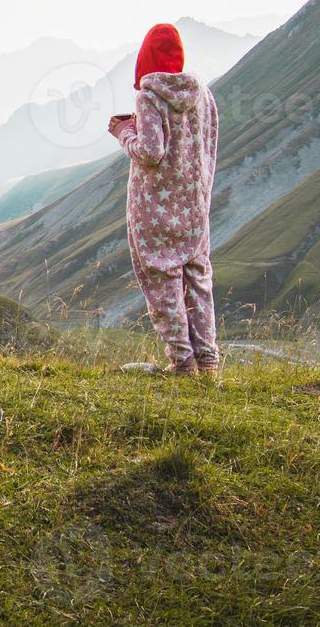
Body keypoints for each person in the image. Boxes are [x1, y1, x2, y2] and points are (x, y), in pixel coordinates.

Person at [107, 23, 220, 376]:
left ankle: (183, 363)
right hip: (193, 205)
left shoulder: (149, 97)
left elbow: (151, 152)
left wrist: (124, 131)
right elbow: (208, 141)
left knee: (163, 282)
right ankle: (209, 362)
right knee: (198, 281)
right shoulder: (202, 94)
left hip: (154, 210)